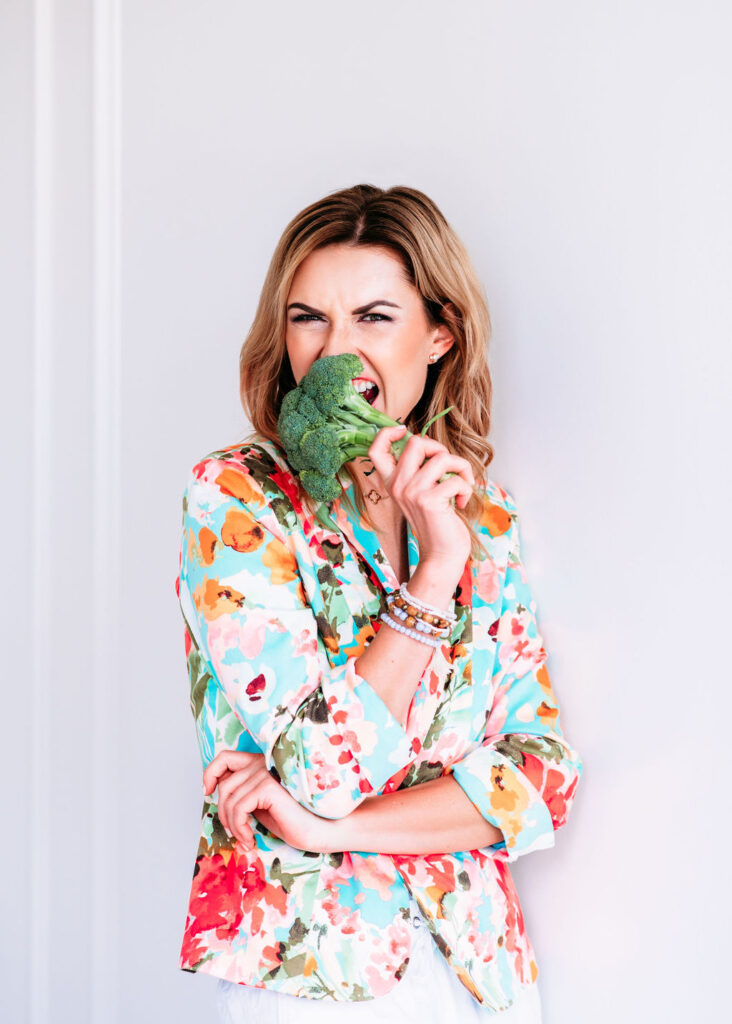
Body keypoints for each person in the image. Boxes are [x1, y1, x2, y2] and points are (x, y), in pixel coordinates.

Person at [175, 184, 583, 1022]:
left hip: (480, 973)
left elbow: (544, 779)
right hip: (310, 967)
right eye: (307, 319)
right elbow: (323, 772)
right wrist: (433, 579)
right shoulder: (239, 500)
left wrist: (332, 830)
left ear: (440, 333)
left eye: (373, 317)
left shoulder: (482, 514)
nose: (335, 353)